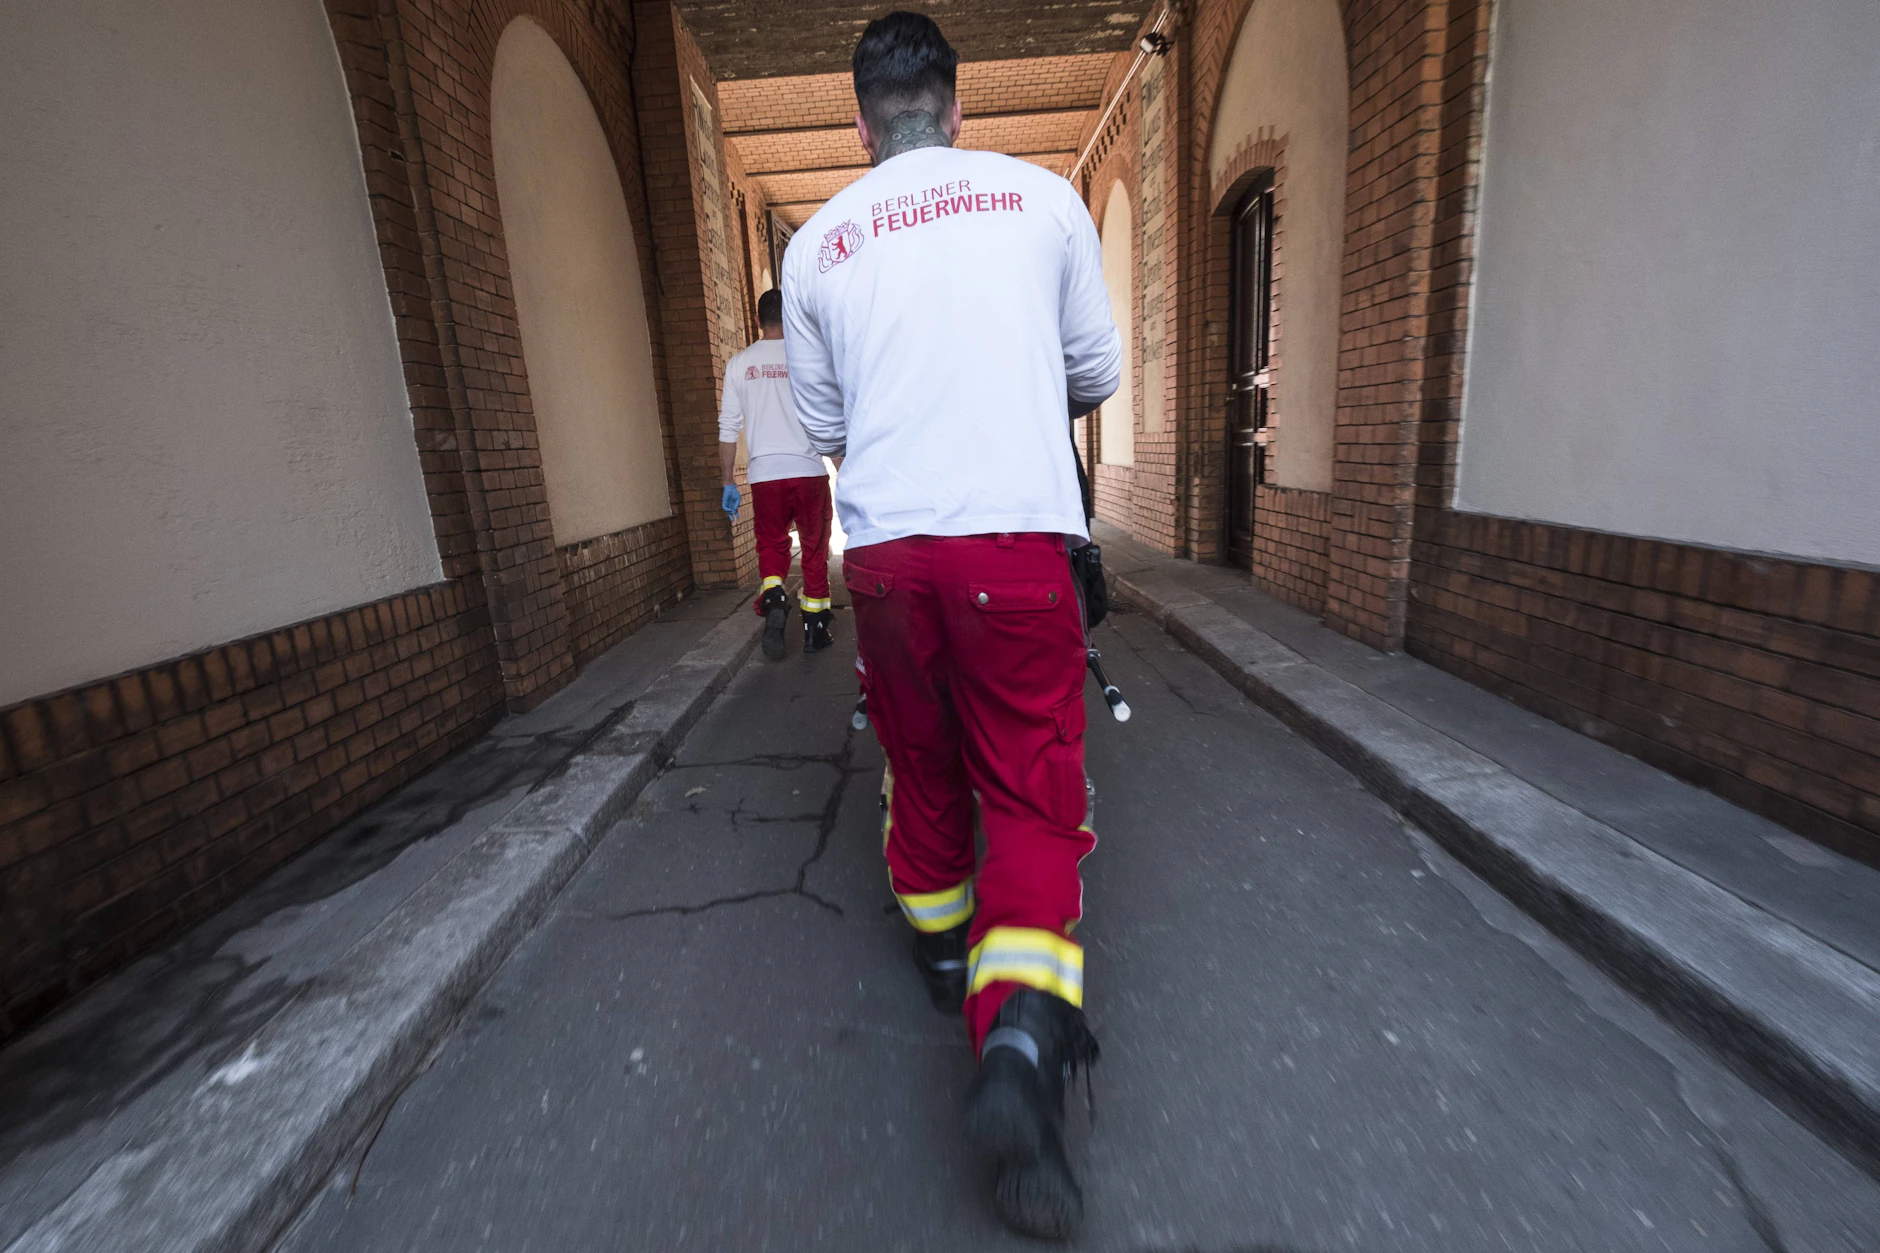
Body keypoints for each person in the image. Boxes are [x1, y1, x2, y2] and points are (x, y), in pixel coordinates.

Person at [780, 12, 1121, 1240]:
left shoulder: (816, 246)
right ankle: (1019, 1037)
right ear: (956, 107)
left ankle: (940, 954)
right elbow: (1096, 371)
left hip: (884, 553)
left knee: (919, 760)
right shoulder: (1043, 204)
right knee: (1028, 788)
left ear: (858, 124)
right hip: (1013, 542)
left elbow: (825, 423)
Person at [719, 288, 837, 660]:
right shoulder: (809, 360)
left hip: (764, 475)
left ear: (758, 320)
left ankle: (774, 595)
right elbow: (828, 417)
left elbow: (727, 428)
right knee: (814, 547)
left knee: (771, 543)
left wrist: (727, 481)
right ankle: (814, 630)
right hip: (807, 470)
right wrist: (843, 469)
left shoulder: (739, 365)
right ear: (792, 318)